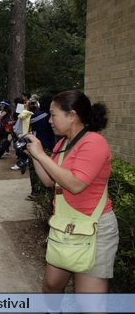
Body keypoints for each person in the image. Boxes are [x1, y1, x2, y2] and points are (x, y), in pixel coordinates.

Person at [26, 90, 119, 296]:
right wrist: (35, 155)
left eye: (53, 114)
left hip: (92, 228)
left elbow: (75, 184)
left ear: (72, 115)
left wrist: (42, 155)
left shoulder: (93, 142)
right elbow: (50, 181)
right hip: (66, 225)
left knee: (88, 301)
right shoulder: (63, 143)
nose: (50, 120)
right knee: (51, 286)